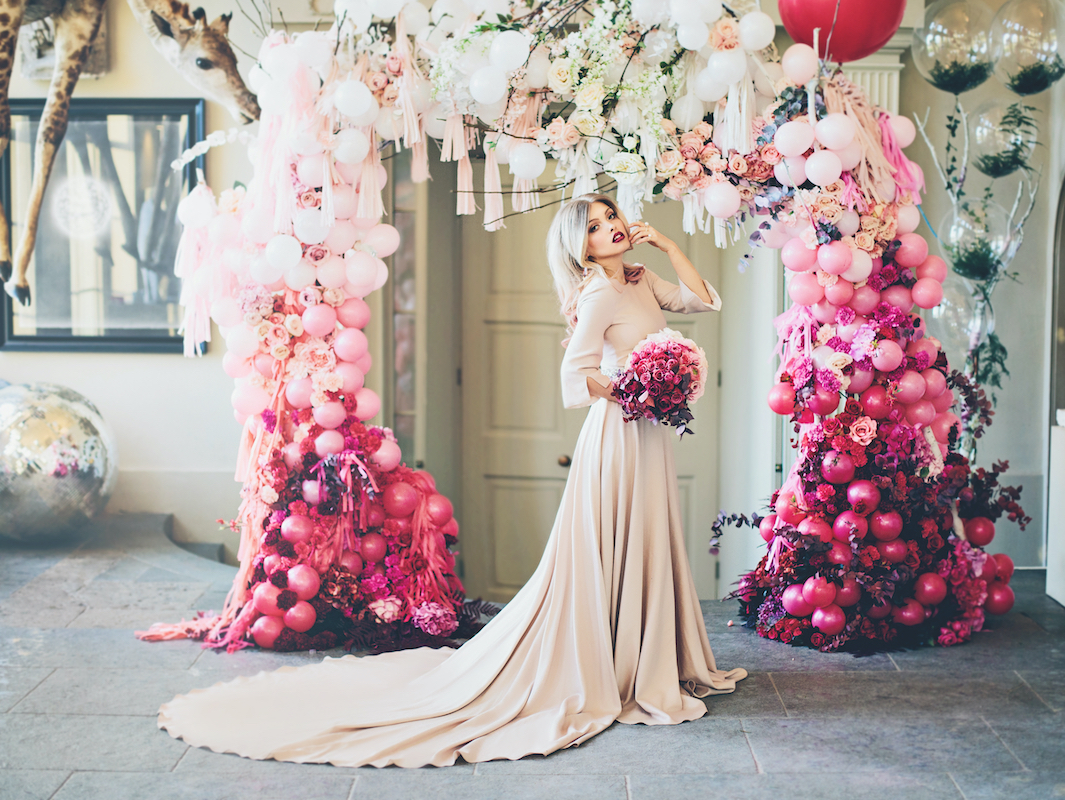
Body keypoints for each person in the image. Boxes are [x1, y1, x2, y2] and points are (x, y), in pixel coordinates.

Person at [155, 193, 746, 767]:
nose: (609, 227)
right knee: (618, 538)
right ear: (582, 248)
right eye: (592, 226)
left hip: (650, 431)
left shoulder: (640, 279)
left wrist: (667, 244)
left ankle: (645, 656)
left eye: (610, 216)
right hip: (620, 432)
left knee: (647, 535)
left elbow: (701, 300)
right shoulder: (598, 293)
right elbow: (578, 371)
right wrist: (637, 390)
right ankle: (614, 662)